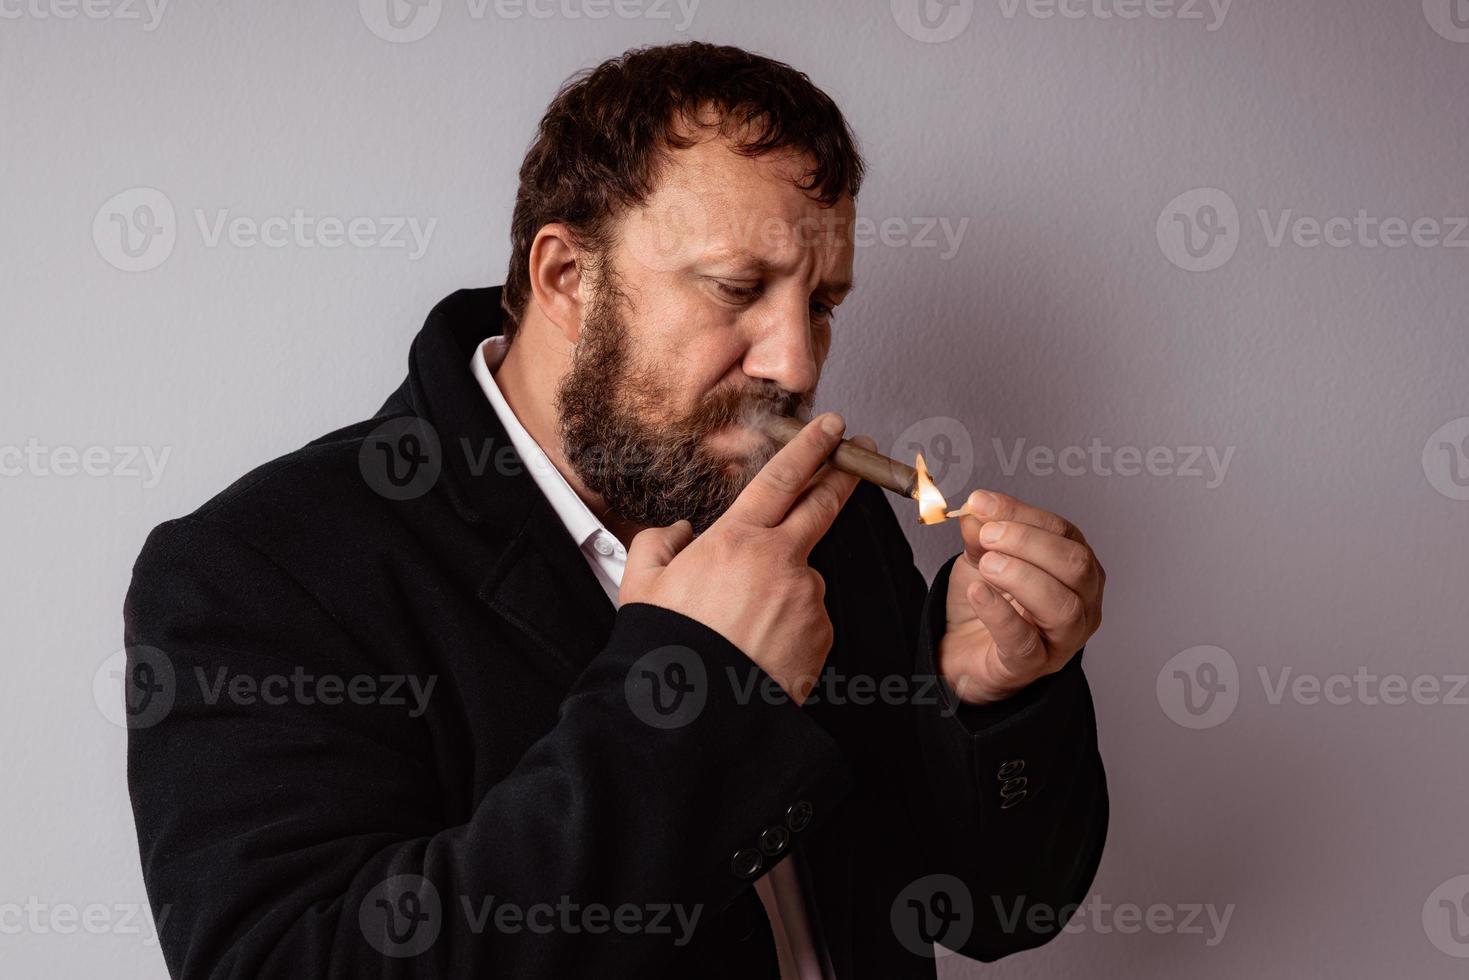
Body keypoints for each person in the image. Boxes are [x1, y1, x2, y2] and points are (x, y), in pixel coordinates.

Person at [123, 41, 1108, 980]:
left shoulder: (821, 511)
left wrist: (988, 700)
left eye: (820, 304)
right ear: (565, 277)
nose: (797, 364)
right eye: (737, 288)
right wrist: (700, 694)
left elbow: (992, 911)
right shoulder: (257, 570)